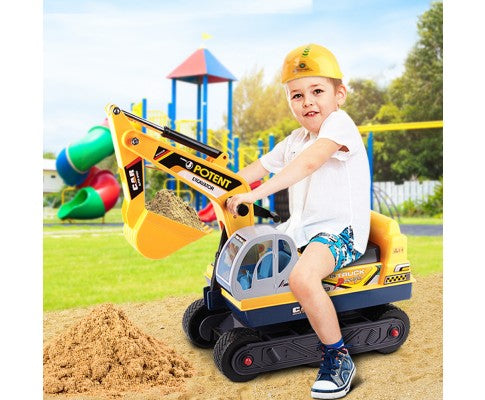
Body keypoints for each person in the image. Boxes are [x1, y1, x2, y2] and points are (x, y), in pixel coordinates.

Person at [226, 43, 370, 399]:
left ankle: (338, 357)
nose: (307, 102)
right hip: (302, 229)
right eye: (297, 95)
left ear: (340, 95)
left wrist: (252, 196)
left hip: (340, 232)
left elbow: (307, 165)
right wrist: (221, 184)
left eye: (317, 91)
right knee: (257, 258)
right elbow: (256, 170)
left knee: (302, 278)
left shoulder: (339, 125)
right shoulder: (295, 140)